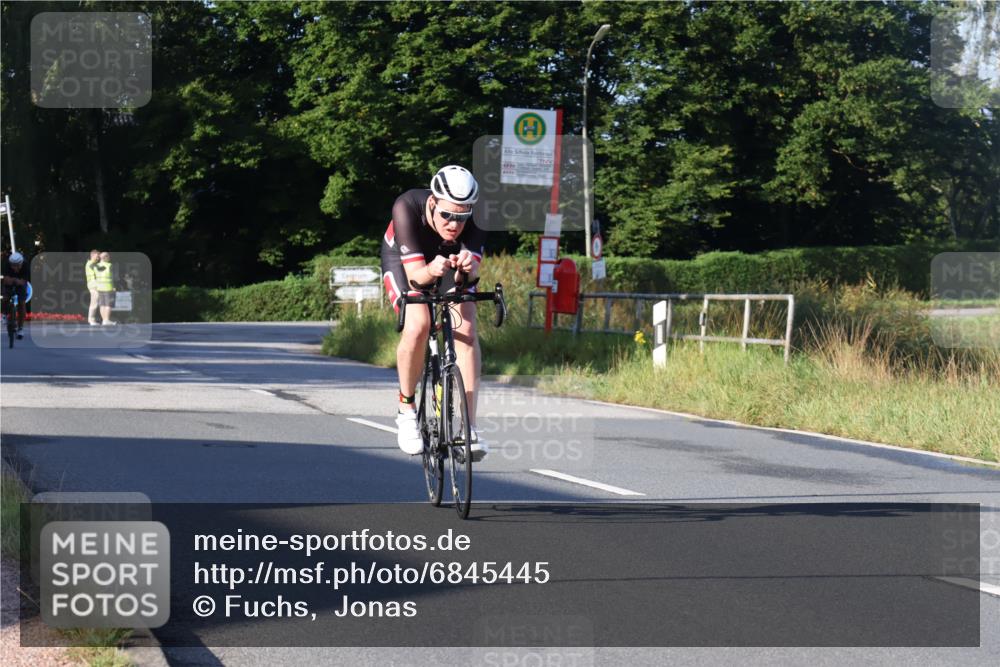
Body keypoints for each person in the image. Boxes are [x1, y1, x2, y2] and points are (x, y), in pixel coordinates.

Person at [381, 165, 489, 460]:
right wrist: (431, 270)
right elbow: (417, 278)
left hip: (446, 263)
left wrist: (468, 269)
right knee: (419, 323)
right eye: (447, 215)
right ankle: (406, 410)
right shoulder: (407, 206)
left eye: (462, 218)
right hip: (406, 261)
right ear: (432, 202)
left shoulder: (479, 214)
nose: (454, 224)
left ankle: (469, 427)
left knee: (466, 326)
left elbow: (467, 280)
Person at [1, 251, 30, 339]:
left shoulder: (26, 266)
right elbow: (5, 279)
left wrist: (18, 281)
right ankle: (4, 314)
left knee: (22, 303)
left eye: (17, 265)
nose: (15, 268)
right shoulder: (7, 264)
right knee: (5, 297)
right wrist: (11, 280)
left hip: (21, 282)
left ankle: (20, 328)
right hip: (9, 281)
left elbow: (24, 281)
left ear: (21, 263)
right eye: (13, 265)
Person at [94, 251, 116, 325]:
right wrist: (113, 286)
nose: (109, 258)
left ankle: (104, 320)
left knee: (102, 305)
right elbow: (112, 277)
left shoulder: (96, 266)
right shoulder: (109, 265)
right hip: (108, 287)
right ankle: (106, 320)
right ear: (105, 257)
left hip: (99, 287)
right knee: (108, 304)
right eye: (108, 256)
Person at [85, 249, 100, 325]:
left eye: (98, 256)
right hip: (93, 285)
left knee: (94, 302)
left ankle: (92, 319)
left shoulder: (93, 264)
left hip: (94, 284)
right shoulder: (90, 263)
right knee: (94, 303)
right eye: (97, 256)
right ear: (92, 255)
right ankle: (91, 320)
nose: (98, 258)